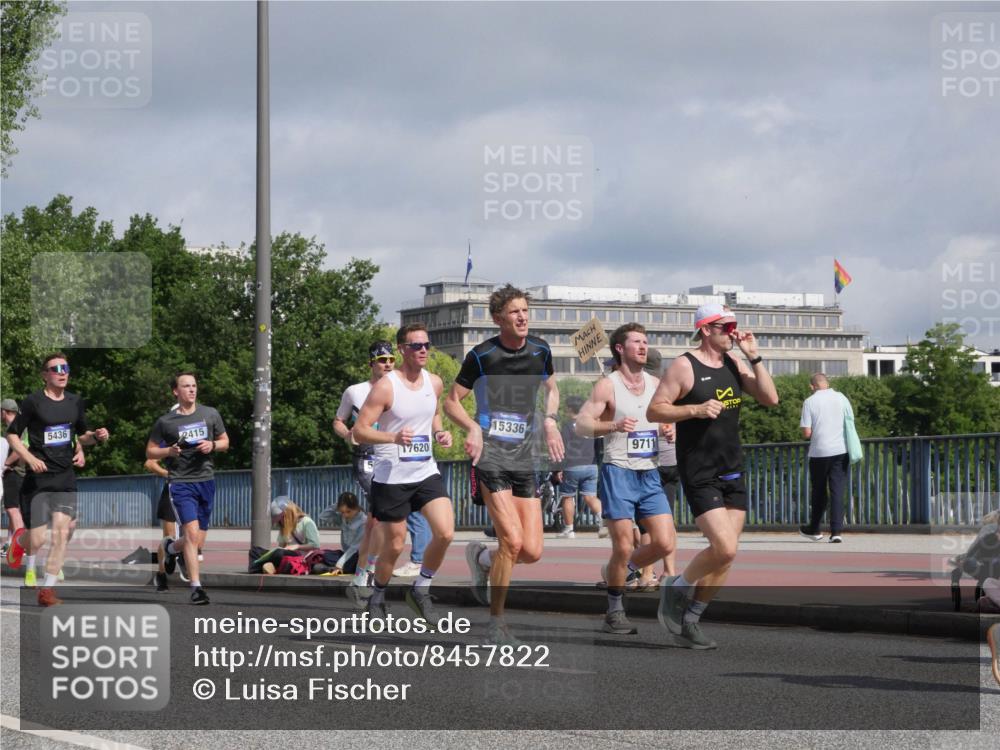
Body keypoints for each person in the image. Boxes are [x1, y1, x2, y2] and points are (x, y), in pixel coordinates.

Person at [647, 304, 778, 648]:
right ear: (705, 329)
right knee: (725, 547)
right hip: (699, 470)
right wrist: (695, 409)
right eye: (725, 326)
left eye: (734, 325)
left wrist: (755, 357)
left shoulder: (734, 363)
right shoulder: (684, 365)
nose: (732, 332)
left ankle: (691, 619)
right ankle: (676, 587)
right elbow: (655, 409)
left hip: (732, 467)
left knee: (725, 555)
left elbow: (771, 398)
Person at [444, 284, 565, 645]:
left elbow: (552, 388)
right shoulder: (482, 356)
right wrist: (471, 429)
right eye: (515, 312)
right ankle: (496, 623)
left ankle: (482, 558)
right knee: (511, 541)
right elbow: (451, 402)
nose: (523, 316)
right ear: (498, 319)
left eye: (526, 310)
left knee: (531, 550)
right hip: (491, 455)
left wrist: (550, 420)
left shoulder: (541, 350)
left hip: (525, 456)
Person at [352, 323, 455, 627]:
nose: (423, 350)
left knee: (446, 532)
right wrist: (393, 438)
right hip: (392, 476)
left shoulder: (434, 382)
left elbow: (434, 413)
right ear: (402, 350)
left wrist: (439, 433)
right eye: (416, 346)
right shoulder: (386, 386)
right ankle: (378, 594)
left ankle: (420, 589)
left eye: (426, 344)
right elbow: (360, 430)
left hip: (425, 471)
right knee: (395, 546)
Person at [576, 324, 676, 635]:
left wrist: (669, 429)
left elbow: (665, 416)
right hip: (617, 471)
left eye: (646, 342)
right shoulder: (607, 385)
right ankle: (615, 610)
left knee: (664, 542)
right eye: (636, 342)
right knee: (622, 546)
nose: (644, 347)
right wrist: (614, 426)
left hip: (648, 472)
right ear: (620, 348)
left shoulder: (656, 383)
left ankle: (619, 570)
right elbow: (581, 424)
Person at [5, 353, 110, 607]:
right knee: (38, 539)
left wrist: (95, 436)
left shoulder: (75, 401)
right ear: (45, 375)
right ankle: (19, 541)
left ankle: (47, 591)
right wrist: (29, 458)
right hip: (38, 479)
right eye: (56, 369)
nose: (63, 372)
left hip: (65, 476)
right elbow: (12, 435)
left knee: (62, 533)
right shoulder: (33, 402)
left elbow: (81, 436)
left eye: (66, 368)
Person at [333, 341, 431, 600]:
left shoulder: (400, 386)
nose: (387, 363)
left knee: (384, 520)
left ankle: (367, 574)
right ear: (371, 364)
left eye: (390, 359)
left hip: (398, 458)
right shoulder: (355, 391)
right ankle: (365, 575)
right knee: (377, 521)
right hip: (368, 459)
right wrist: (347, 435)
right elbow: (339, 420)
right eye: (381, 360)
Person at [147, 372, 229, 605]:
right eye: (186, 386)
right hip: (181, 482)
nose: (192, 390)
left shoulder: (210, 414)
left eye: (194, 385)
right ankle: (196, 588)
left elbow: (225, 442)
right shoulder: (166, 422)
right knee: (191, 535)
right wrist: (168, 452)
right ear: (176, 391)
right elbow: (150, 452)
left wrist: (212, 444)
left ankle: (171, 548)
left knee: (197, 541)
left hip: (206, 481)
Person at [799, 373, 852, 543]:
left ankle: (814, 529)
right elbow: (850, 421)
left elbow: (807, 433)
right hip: (841, 450)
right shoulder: (841, 397)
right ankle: (836, 532)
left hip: (819, 452)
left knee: (819, 491)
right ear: (828, 383)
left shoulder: (809, 401)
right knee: (837, 490)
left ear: (812, 386)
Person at [554, 396, 603, 540]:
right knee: (590, 497)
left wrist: (559, 468)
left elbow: (562, 447)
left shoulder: (568, 426)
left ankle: (569, 530)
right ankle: (604, 522)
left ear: (570, 409)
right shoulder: (590, 424)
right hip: (591, 465)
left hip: (572, 466)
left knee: (567, 497)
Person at [1, 399, 26, 561]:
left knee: (12, 510)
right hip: (23, 473)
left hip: (15, 472)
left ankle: (19, 546)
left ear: (4, 412)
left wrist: (5, 464)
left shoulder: (14, 427)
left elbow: (20, 449)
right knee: (15, 509)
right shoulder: (22, 424)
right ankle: (11, 543)